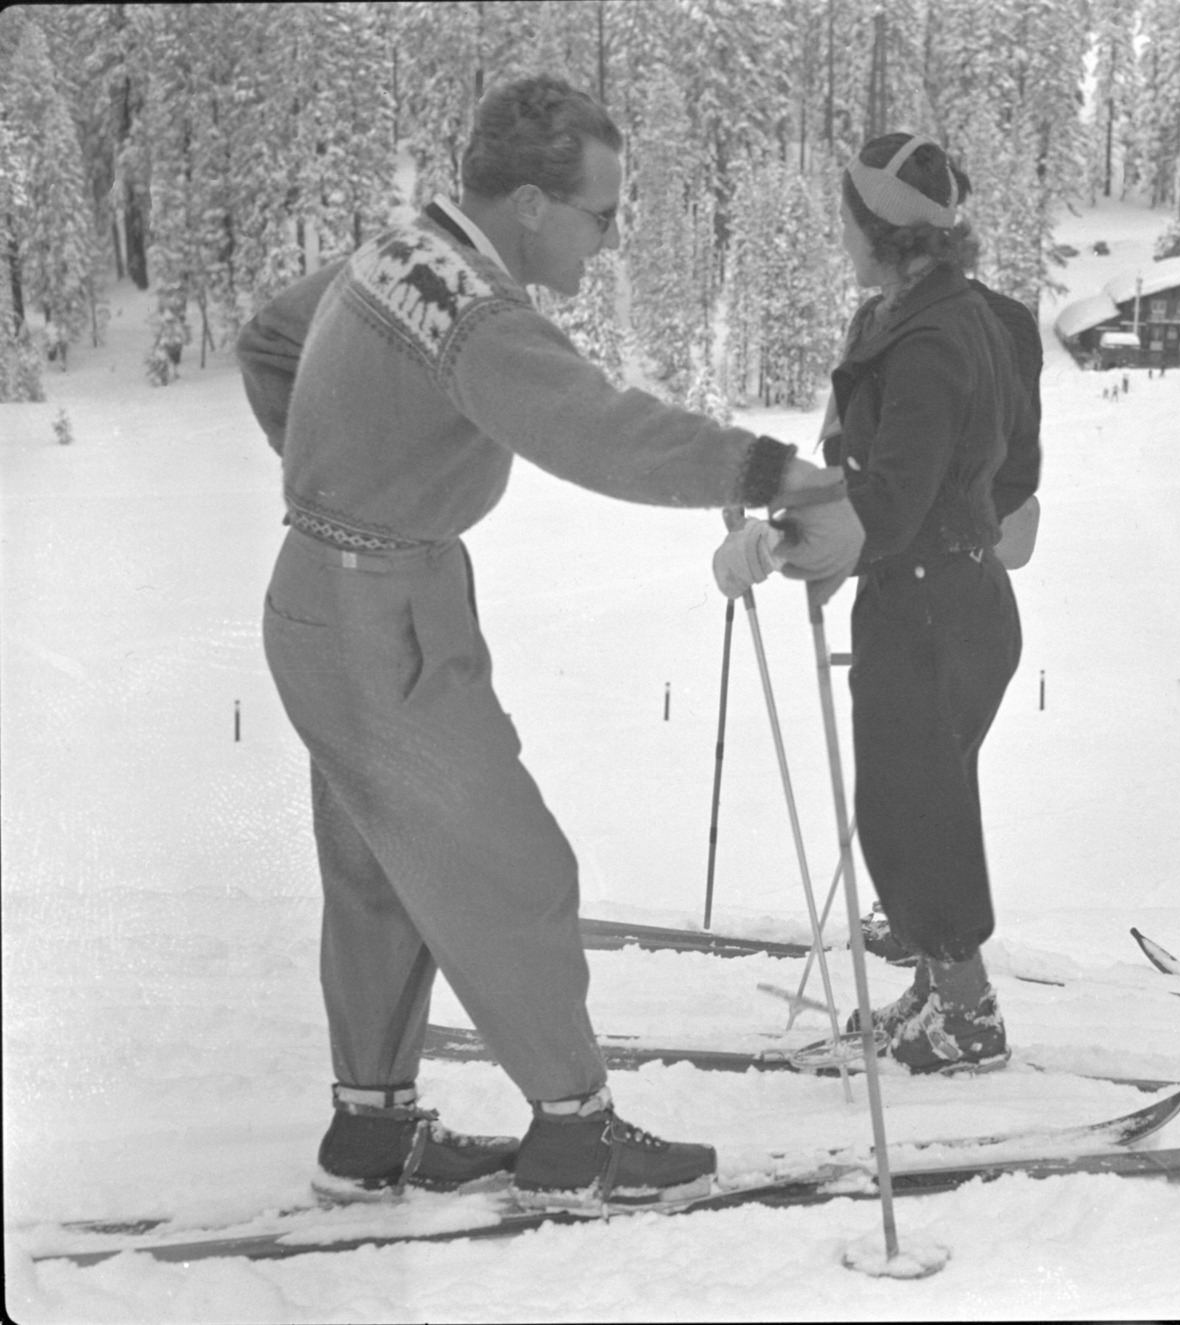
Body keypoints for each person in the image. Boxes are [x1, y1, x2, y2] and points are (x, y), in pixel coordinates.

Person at [238, 74, 862, 1212]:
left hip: (329, 592)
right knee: (514, 867)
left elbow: (269, 339)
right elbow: (599, 431)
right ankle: (576, 1136)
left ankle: (368, 1129)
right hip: (379, 614)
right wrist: (779, 473)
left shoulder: (399, 253)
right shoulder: (479, 313)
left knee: (383, 875)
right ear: (530, 203)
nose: (610, 239)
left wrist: (343, 473)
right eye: (600, 214)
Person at [717, 132, 1036, 1074]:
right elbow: (993, 466)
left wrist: (781, 536)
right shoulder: (948, 316)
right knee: (913, 802)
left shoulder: (932, 338)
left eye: (848, 215)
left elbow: (888, 499)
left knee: (912, 810)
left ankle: (968, 1013)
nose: (840, 230)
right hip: (947, 592)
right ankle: (940, 992)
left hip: (932, 601)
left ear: (881, 231)